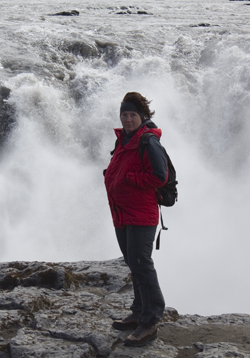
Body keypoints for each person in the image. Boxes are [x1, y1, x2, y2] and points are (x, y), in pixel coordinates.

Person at [103, 91, 168, 347]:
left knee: (142, 264)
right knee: (133, 262)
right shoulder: (125, 139)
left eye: (132, 115)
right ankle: (139, 310)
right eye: (124, 114)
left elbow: (159, 176)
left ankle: (151, 320)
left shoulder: (148, 141)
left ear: (142, 117)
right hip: (122, 212)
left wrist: (128, 180)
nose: (128, 119)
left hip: (141, 214)